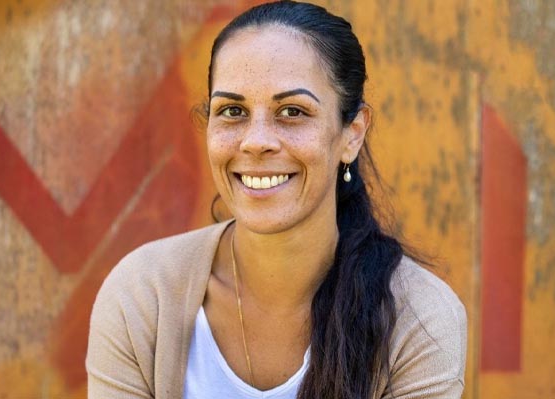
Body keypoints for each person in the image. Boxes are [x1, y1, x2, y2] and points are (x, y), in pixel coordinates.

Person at [86, 1, 467, 398]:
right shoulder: (144, 294)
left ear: (351, 134)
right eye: (233, 110)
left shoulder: (419, 317)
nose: (256, 142)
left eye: (292, 111)